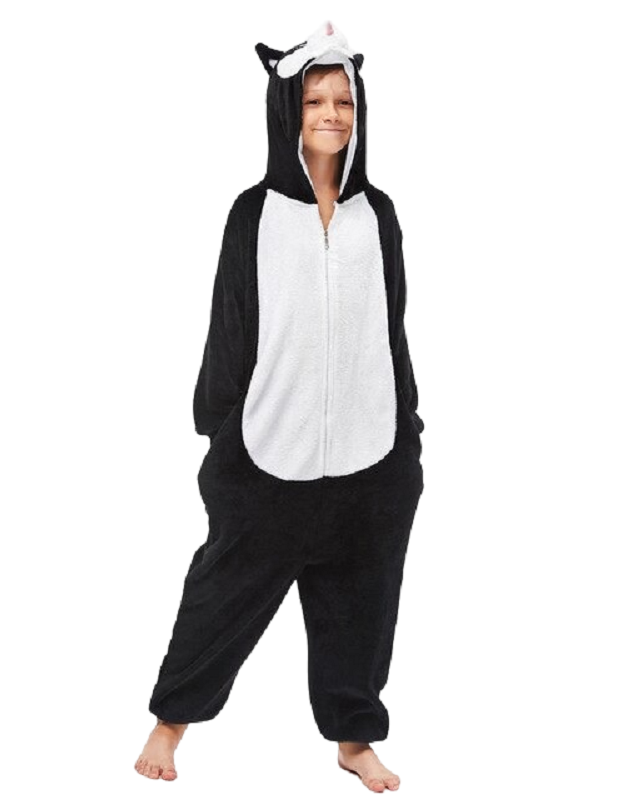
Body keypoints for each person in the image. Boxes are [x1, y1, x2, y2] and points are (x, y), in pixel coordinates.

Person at [134, 21, 424, 794]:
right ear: (287, 110)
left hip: (372, 455)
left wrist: (408, 433)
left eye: (344, 102)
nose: (331, 114)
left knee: (363, 609)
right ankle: (171, 721)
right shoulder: (254, 214)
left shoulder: (378, 215)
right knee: (222, 596)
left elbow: (392, 327)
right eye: (315, 101)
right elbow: (229, 328)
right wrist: (222, 436)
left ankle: (355, 738)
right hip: (267, 455)